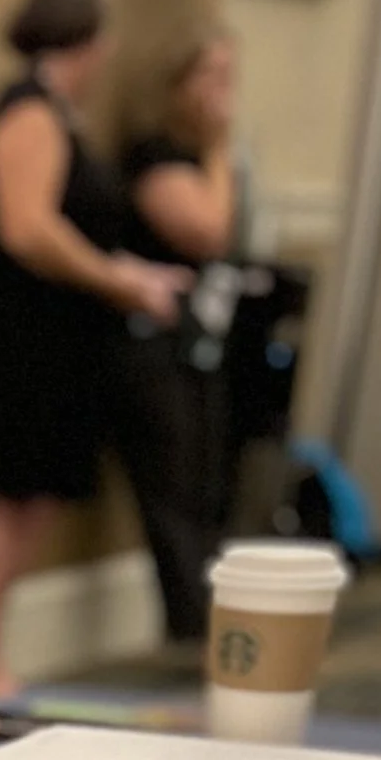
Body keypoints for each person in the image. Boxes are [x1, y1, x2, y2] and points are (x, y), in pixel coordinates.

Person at [0, 0, 190, 697]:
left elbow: (73, 225)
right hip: (12, 340)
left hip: (54, 340)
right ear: (87, 41)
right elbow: (27, 228)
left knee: (32, 497)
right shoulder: (28, 111)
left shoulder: (59, 115)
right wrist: (120, 282)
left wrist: (128, 270)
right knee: (1, 496)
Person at [115, 34, 246, 640]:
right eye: (209, 74)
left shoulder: (202, 157)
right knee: (169, 483)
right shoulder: (158, 155)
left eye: (229, 75)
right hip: (152, 343)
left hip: (201, 341)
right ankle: (191, 622)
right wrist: (219, 148)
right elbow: (208, 231)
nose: (222, 90)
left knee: (206, 479)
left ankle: (212, 611)